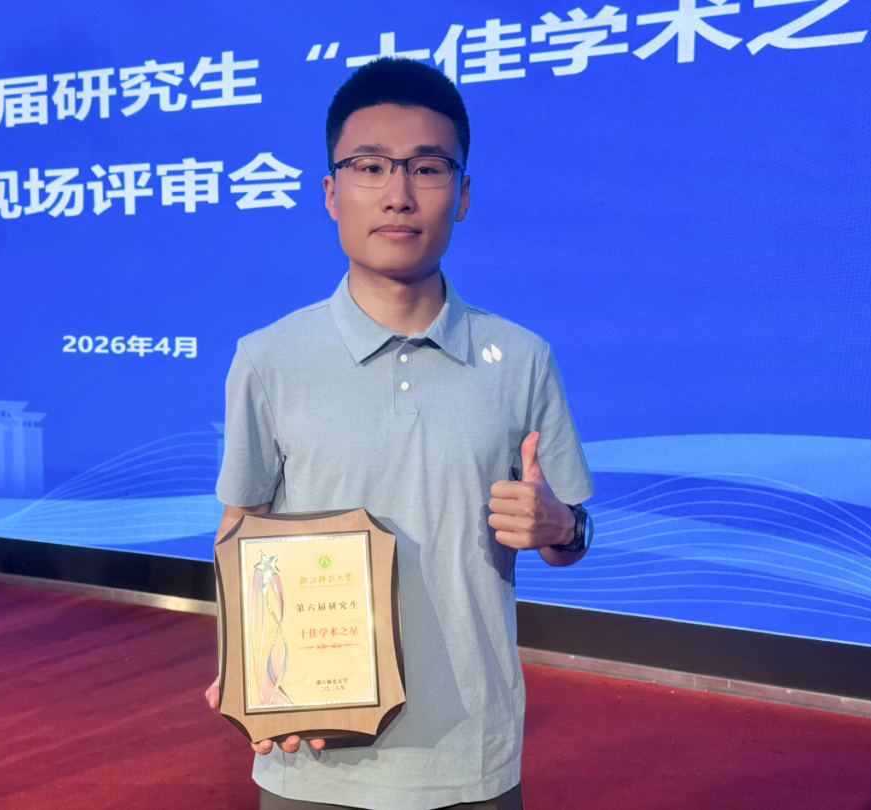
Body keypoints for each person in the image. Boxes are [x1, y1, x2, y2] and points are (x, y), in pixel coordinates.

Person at [205, 56, 593, 810]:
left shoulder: (521, 357)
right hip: (314, 757)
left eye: (427, 167)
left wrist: (559, 527)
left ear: (463, 193)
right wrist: (246, 666)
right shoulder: (268, 357)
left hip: (471, 758)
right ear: (331, 191)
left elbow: (568, 538)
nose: (398, 193)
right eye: (370, 166)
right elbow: (240, 524)